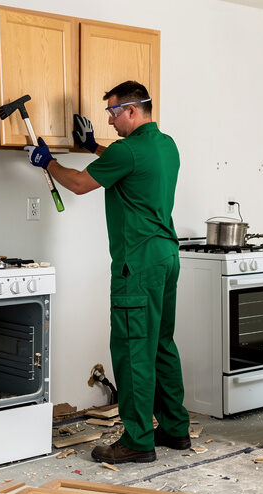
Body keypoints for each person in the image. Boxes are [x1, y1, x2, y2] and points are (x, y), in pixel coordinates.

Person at [25, 81, 191, 464]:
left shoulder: (127, 150)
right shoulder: (165, 145)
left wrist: (46, 161)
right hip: (166, 257)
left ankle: (136, 440)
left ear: (132, 110)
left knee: (134, 350)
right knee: (162, 345)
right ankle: (175, 429)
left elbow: (82, 184)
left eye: (113, 113)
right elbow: (127, 165)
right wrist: (93, 148)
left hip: (138, 263)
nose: (110, 120)